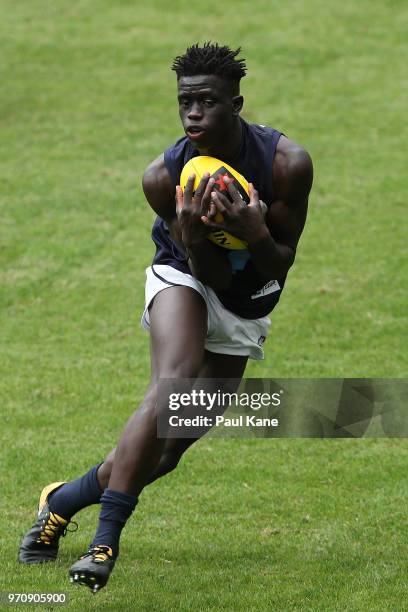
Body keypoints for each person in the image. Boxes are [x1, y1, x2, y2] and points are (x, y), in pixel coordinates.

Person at [18, 42, 313, 592]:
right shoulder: (163, 179)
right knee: (171, 388)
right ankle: (104, 543)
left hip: (248, 300)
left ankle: (60, 503)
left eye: (208, 101)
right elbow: (206, 272)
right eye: (185, 102)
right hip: (182, 274)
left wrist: (253, 232)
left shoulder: (284, 164)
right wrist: (192, 237)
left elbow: (279, 262)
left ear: (237, 103)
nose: (194, 113)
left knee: (173, 443)